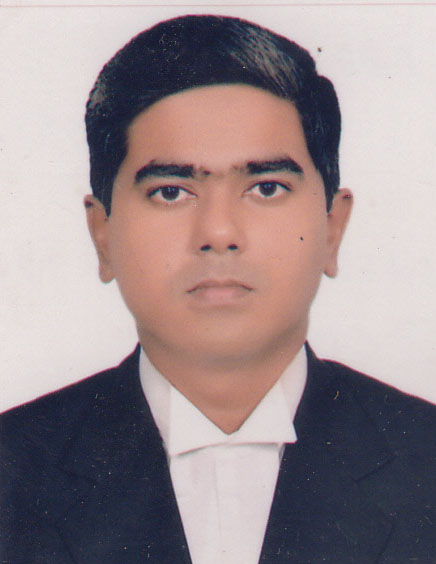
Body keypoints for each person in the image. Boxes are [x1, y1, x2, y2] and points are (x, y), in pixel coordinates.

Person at [1, 14, 435, 564]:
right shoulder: (12, 469)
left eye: (267, 188)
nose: (220, 233)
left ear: (332, 227)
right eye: (170, 192)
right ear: (102, 234)